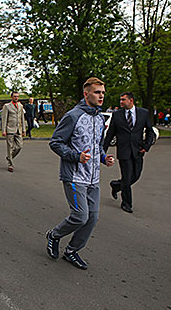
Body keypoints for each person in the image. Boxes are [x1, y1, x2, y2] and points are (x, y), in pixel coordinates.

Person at [45, 77, 115, 270]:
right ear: (86, 94)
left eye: (102, 92)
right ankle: (54, 235)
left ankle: (72, 251)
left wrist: (103, 158)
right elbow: (56, 142)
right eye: (97, 92)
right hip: (75, 176)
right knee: (80, 216)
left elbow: (97, 146)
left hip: (94, 177)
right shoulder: (73, 116)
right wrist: (76, 156)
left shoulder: (100, 118)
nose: (101, 96)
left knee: (92, 218)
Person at [104, 92, 155, 213]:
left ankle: (116, 185)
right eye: (120, 100)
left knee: (136, 176)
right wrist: (102, 151)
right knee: (127, 178)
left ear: (131, 100)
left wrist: (146, 146)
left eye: (123, 100)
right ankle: (126, 203)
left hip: (138, 150)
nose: (121, 102)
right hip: (124, 151)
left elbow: (150, 131)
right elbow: (110, 134)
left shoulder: (143, 113)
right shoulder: (117, 115)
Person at [2, 92, 26, 172]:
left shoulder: (20, 106)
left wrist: (23, 130)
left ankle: (9, 157)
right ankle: (10, 165)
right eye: (15, 96)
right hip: (10, 129)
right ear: (11, 97)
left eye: (17, 96)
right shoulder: (7, 106)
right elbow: (4, 118)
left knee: (19, 146)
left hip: (18, 129)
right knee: (10, 147)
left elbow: (22, 118)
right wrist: (4, 130)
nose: (16, 98)